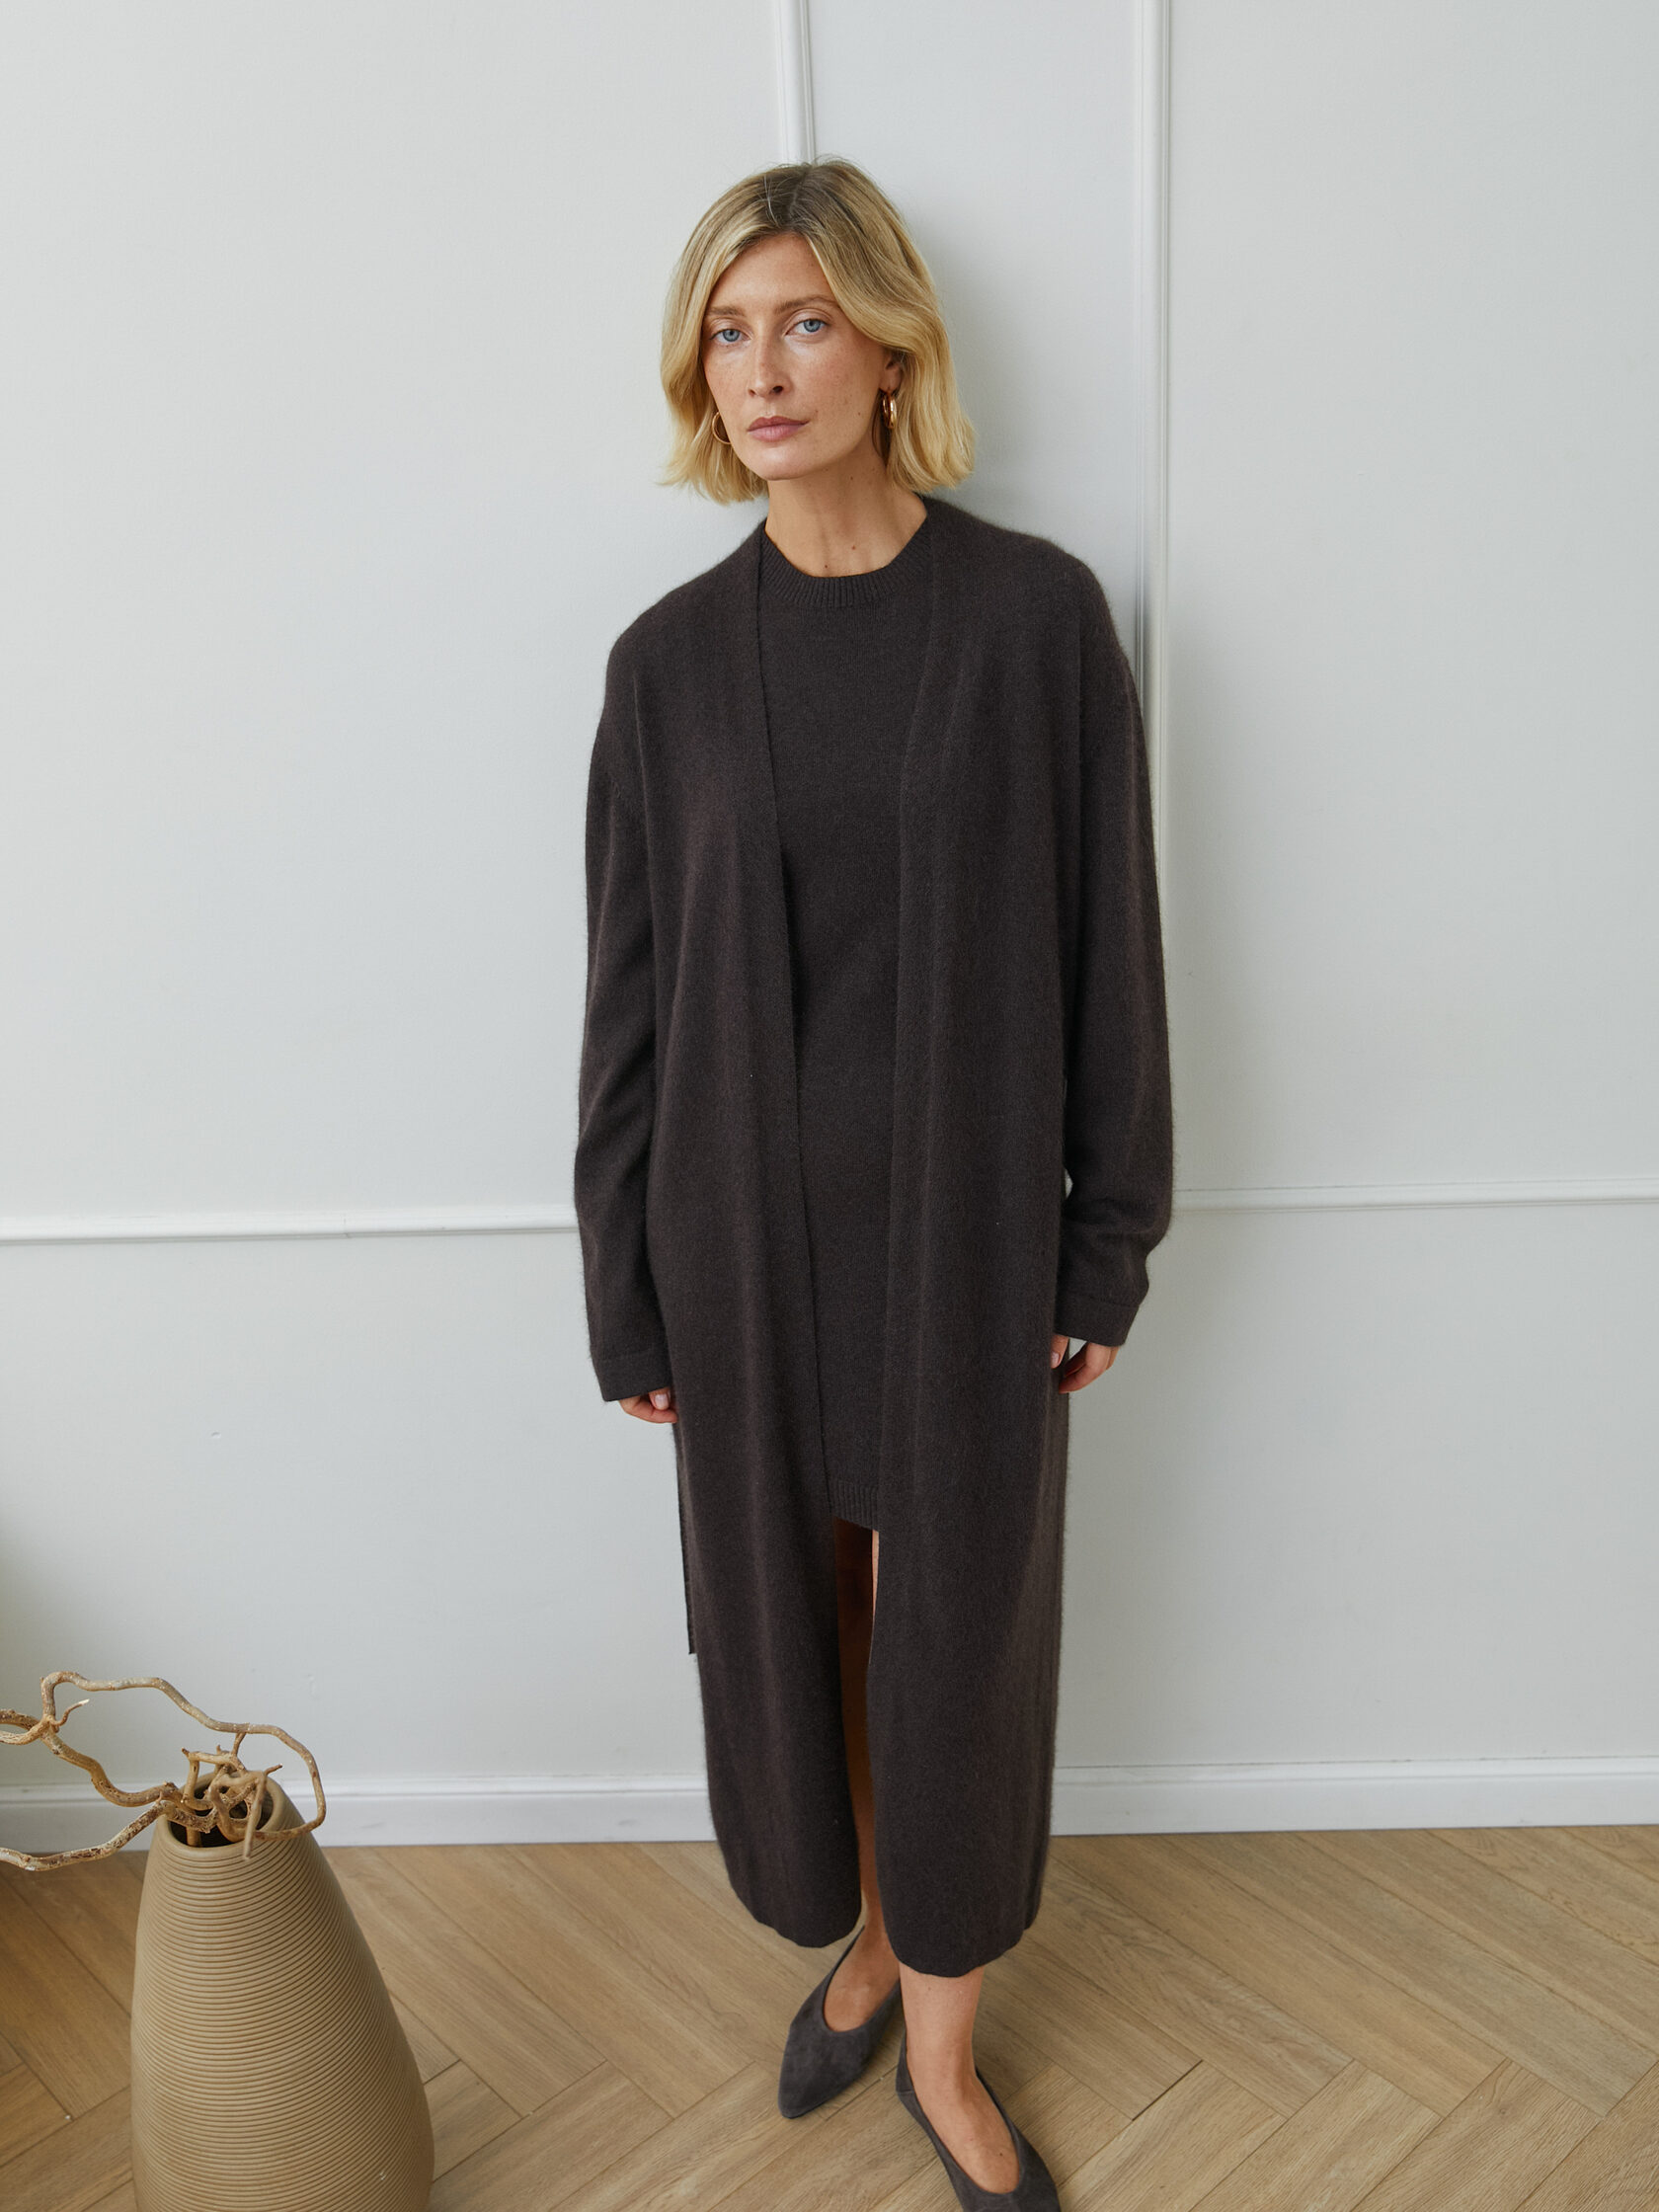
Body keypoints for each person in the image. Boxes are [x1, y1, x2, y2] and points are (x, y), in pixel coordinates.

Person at [575, 157, 1173, 2208]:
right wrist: (622, 1284)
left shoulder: (1033, 623)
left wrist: (1110, 1233)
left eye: (806, 322)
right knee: (802, 1628)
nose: (763, 370)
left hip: (969, 1240)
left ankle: (942, 2042)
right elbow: (627, 1001)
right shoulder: (666, 667)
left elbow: (1111, 950)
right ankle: (859, 1946)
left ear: (893, 350)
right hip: (742, 1251)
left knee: (953, 1649)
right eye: (729, 332)